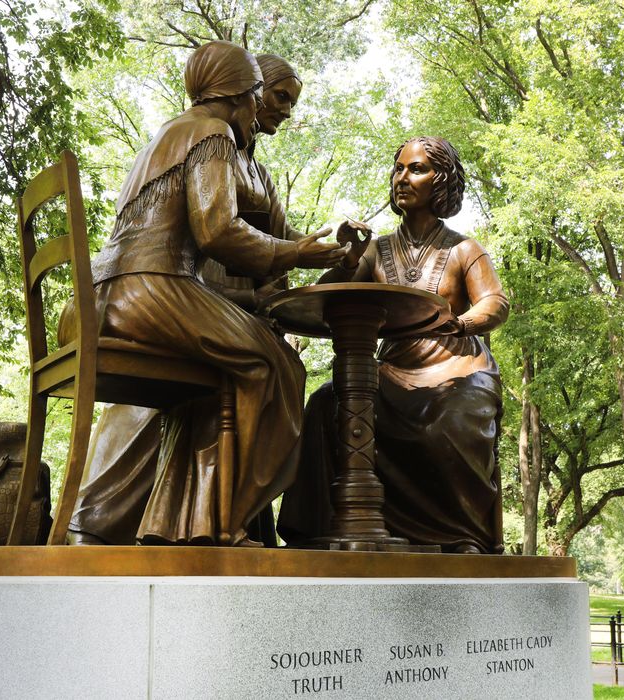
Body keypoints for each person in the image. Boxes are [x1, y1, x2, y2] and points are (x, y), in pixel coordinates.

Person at [61, 41, 345, 546]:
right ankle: (222, 523)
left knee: (230, 367)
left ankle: (190, 523)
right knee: (275, 367)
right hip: (152, 290)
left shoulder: (167, 134)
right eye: (263, 95)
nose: (263, 109)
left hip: (95, 298)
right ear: (241, 93)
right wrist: (298, 253)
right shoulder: (212, 134)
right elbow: (218, 231)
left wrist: (284, 266)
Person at [278, 136, 509, 554]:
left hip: (455, 365)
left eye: (416, 169)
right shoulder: (377, 251)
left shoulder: (464, 249)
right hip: (393, 370)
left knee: (451, 423)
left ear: (442, 181)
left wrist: (461, 322)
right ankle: (320, 528)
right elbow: (332, 292)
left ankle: (461, 535)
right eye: (399, 169)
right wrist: (350, 256)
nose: (403, 178)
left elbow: (495, 302)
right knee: (327, 403)